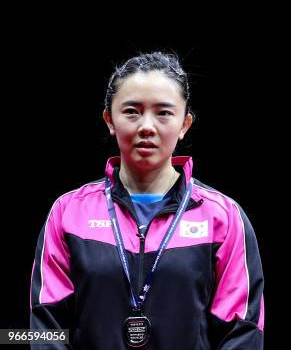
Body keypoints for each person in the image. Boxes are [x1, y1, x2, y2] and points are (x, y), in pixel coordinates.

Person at [30, 52, 264, 349]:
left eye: (164, 113)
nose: (147, 126)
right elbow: (45, 327)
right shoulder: (67, 213)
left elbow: (243, 332)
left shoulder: (223, 217)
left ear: (184, 124)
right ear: (109, 120)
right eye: (131, 111)